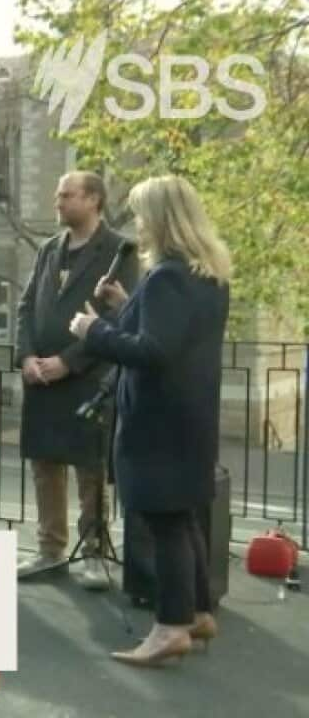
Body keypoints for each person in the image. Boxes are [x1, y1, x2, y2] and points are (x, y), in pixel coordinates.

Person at [69, 175, 230, 667]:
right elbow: (167, 336)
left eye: (141, 215)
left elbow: (153, 352)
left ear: (161, 219)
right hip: (189, 417)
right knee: (183, 519)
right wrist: (124, 307)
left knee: (164, 524)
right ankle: (197, 612)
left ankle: (170, 627)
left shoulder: (167, 277)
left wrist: (93, 328)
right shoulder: (207, 275)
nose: (137, 225)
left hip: (157, 422)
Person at [16, 171, 139, 587]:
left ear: (93, 200)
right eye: (57, 194)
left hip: (87, 378)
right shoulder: (50, 248)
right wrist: (28, 355)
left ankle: (93, 553)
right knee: (44, 466)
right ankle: (50, 550)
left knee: (89, 470)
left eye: (66, 195)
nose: (58, 202)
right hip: (40, 380)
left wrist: (68, 361)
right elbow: (26, 306)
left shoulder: (120, 250)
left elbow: (117, 317)